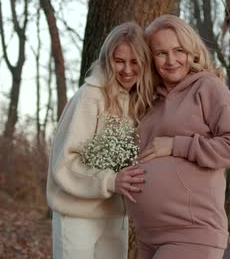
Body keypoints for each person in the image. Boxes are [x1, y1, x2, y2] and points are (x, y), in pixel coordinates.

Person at [127, 15, 230, 259]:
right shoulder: (149, 99)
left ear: (191, 51)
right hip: (148, 236)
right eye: (161, 53)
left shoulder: (208, 87)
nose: (171, 60)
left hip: (192, 232)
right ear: (150, 58)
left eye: (178, 50)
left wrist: (177, 145)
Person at [47, 22, 153, 259]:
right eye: (119, 61)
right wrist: (110, 181)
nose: (127, 70)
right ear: (107, 60)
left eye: (135, 62)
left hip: (115, 214)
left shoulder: (139, 101)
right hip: (77, 213)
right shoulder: (89, 97)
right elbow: (63, 164)